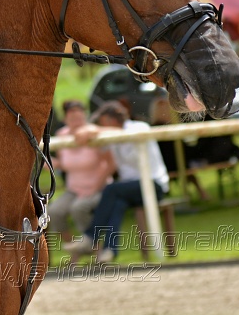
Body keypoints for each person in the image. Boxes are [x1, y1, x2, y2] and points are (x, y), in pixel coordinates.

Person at [67, 100, 169, 262]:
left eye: (101, 122)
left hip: (154, 185)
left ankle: (90, 237)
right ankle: (109, 251)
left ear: (109, 120)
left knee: (111, 190)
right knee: (116, 204)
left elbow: (119, 133)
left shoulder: (139, 127)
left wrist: (93, 129)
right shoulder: (109, 136)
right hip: (131, 190)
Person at [48, 101, 115, 242]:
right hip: (74, 189)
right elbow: (66, 165)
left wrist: (95, 187)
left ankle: (93, 245)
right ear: (65, 119)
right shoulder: (61, 135)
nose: (77, 122)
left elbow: (110, 163)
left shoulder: (94, 132)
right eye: (73, 119)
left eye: (79, 118)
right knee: (54, 212)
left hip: (97, 187)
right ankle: (74, 248)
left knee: (78, 209)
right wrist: (46, 163)